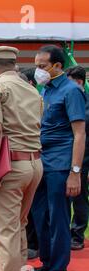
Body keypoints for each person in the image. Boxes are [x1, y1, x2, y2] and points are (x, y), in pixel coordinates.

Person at [0, 46, 44, 271]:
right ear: (15, 65)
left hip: (11, 167)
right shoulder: (32, 90)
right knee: (19, 227)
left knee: (6, 233)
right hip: (34, 164)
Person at [31, 45, 86, 271]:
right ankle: (48, 261)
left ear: (58, 66)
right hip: (42, 163)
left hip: (61, 165)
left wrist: (75, 173)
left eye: (42, 66)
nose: (38, 71)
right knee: (40, 216)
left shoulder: (71, 91)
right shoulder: (46, 91)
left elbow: (80, 134)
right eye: (36, 65)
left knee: (59, 219)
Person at [66, 65, 89, 250]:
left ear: (79, 82)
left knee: (79, 197)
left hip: (82, 159)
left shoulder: (85, 104)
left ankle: (77, 234)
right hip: (66, 156)